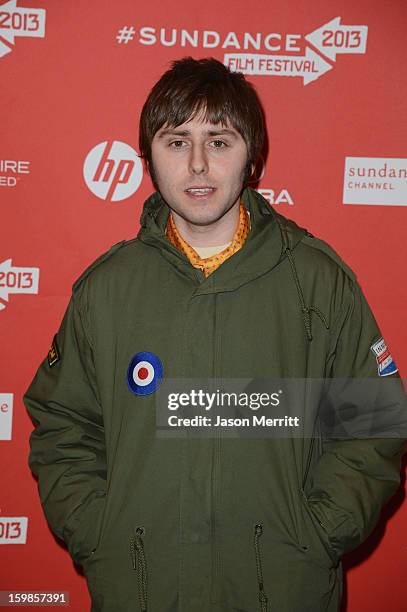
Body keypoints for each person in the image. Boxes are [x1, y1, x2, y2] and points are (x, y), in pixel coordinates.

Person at [24, 57, 406, 612]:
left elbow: (371, 425)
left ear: (252, 156)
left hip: (281, 590)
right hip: (141, 589)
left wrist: (315, 534)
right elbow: (63, 427)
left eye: (220, 141)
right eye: (176, 142)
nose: (198, 165)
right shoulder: (105, 291)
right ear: (148, 157)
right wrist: (98, 532)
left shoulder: (318, 282)